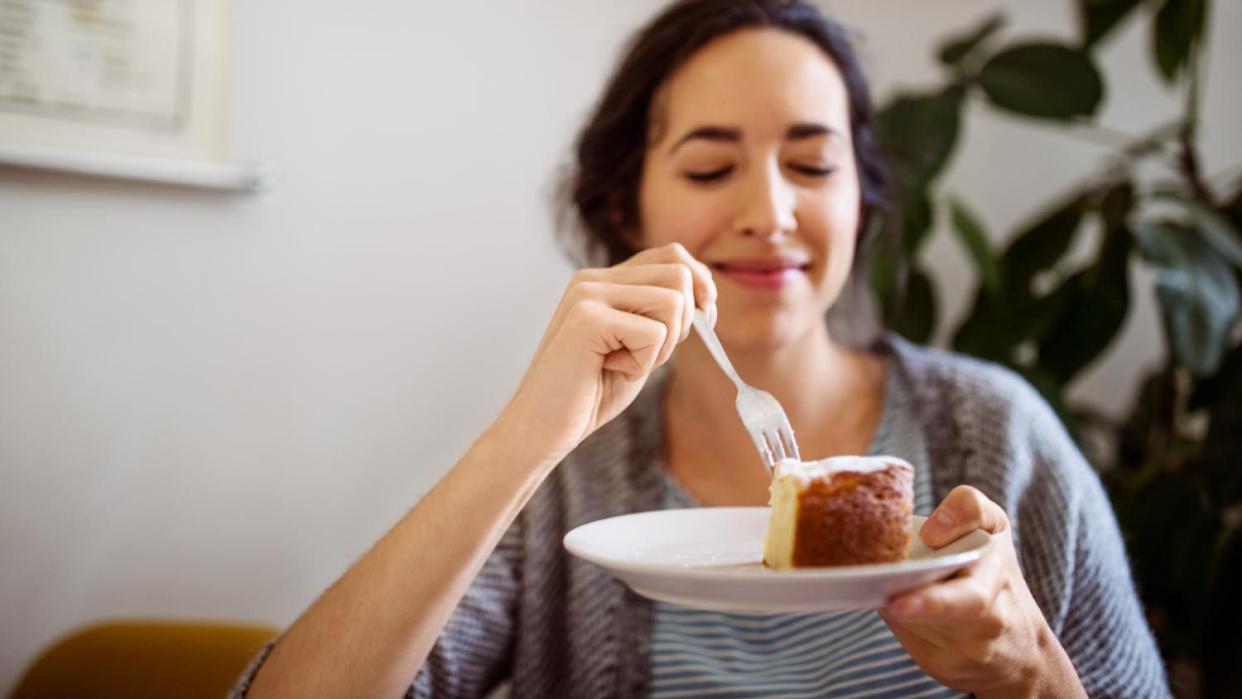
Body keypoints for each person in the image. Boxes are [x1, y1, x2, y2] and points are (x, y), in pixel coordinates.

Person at [233, 1, 1170, 697]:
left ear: (863, 200)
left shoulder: (1001, 437)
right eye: (711, 166)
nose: (769, 213)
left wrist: (1035, 673)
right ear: (625, 205)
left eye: (813, 164)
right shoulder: (568, 483)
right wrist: (521, 438)